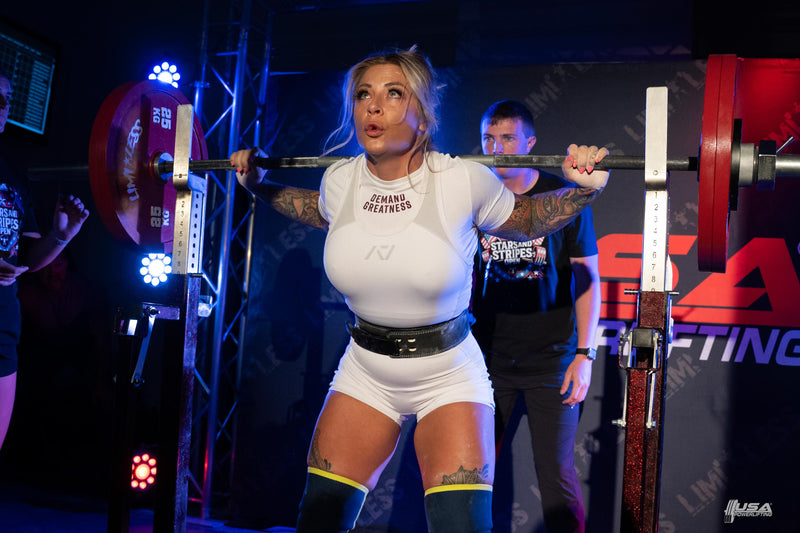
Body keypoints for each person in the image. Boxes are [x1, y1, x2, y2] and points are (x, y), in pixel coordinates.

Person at [229, 47, 608, 533]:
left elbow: (526, 219)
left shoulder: (463, 180)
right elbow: (317, 210)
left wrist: (582, 190)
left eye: (393, 94)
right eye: (363, 94)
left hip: (448, 374)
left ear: (423, 115)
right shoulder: (340, 180)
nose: (373, 106)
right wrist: (259, 185)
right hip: (365, 370)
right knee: (318, 522)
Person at [470, 100, 601, 533]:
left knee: (557, 478)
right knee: (469, 476)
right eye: (489, 138)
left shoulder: (561, 198)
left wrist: (584, 354)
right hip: (487, 361)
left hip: (553, 362)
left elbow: (588, 278)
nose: (497, 147)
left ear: (530, 142)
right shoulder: (474, 196)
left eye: (508, 138)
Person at [0, 68, 90, 451]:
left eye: (7, 97)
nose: (4, 106)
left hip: (2, 332)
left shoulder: (12, 175)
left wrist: (60, 236)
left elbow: (28, 259)